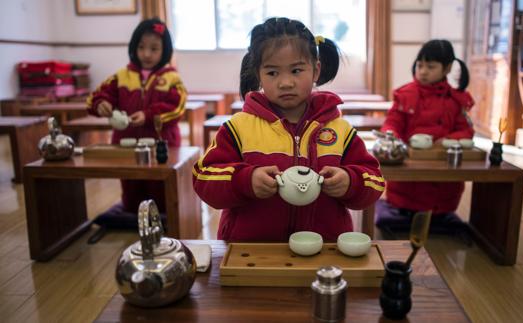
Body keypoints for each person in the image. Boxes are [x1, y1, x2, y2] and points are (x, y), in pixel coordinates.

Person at [193, 17, 385, 242]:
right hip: (250, 252)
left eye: (296, 70)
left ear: (316, 71)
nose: (285, 83)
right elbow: (203, 178)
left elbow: (375, 180)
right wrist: (245, 180)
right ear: (258, 75)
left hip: (324, 250)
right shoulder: (239, 127)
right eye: (272, 73)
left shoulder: (339, 130)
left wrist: (350, 181)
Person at [87, 18, 187, 214]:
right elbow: (95, 97)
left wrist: (149, 115)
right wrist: (101, 104)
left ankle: (162, 221)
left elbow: (178, 107)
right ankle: (132, 216)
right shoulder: (121, 76)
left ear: (164, 51)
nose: (147, 54)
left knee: (160, 192)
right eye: (141, 47)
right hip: (125, 146)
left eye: (154, 48)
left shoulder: (171, 78)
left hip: (161, 145)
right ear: (134, 47)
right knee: (131, 190)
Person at [376, 39, 474, 234]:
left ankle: (439, 214)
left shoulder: (455, 100)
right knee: (408, 195)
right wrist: (391, 134)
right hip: (410, 167)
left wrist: (445, 141)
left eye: (431, 67)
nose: (423, 71)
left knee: (441, 198)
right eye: (420, 65)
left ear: (447, 69)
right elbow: (393, 121)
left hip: (441, 165)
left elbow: (466, 131)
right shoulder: (405, 95)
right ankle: (407, 212)